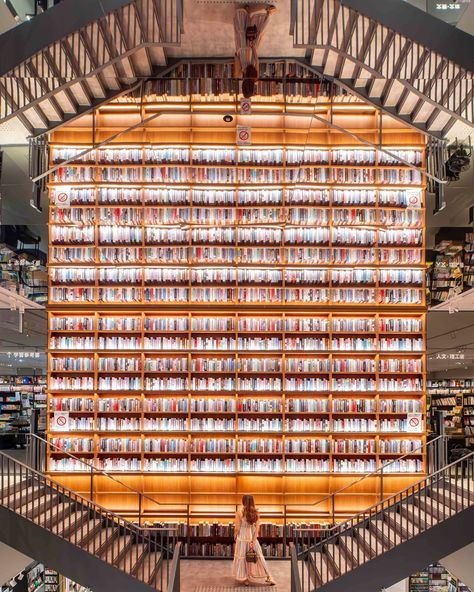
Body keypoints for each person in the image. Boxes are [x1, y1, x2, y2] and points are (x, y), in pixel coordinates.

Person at [232, 494, 276, 586]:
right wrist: (253, 540)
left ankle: (246, 579)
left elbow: (237, 528)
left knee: (243, 558)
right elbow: (257, 529)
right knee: (259, 556)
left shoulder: (239, 512)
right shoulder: (256, 513)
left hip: (242, 538)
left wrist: (235, 536)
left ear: (243, 501)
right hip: (252, 537)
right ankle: (269, 576)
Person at [234, 4, 276, 98]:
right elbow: (236, 60)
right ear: (243, 88)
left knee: (257, 33)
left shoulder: (254, 78)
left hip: (251, 51)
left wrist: (253, 48)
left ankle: (269, 14)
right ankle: (246, 12)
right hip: (241, 50)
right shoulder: (240, 76)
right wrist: (237, 54)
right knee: (242, 31)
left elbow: (257, 61)